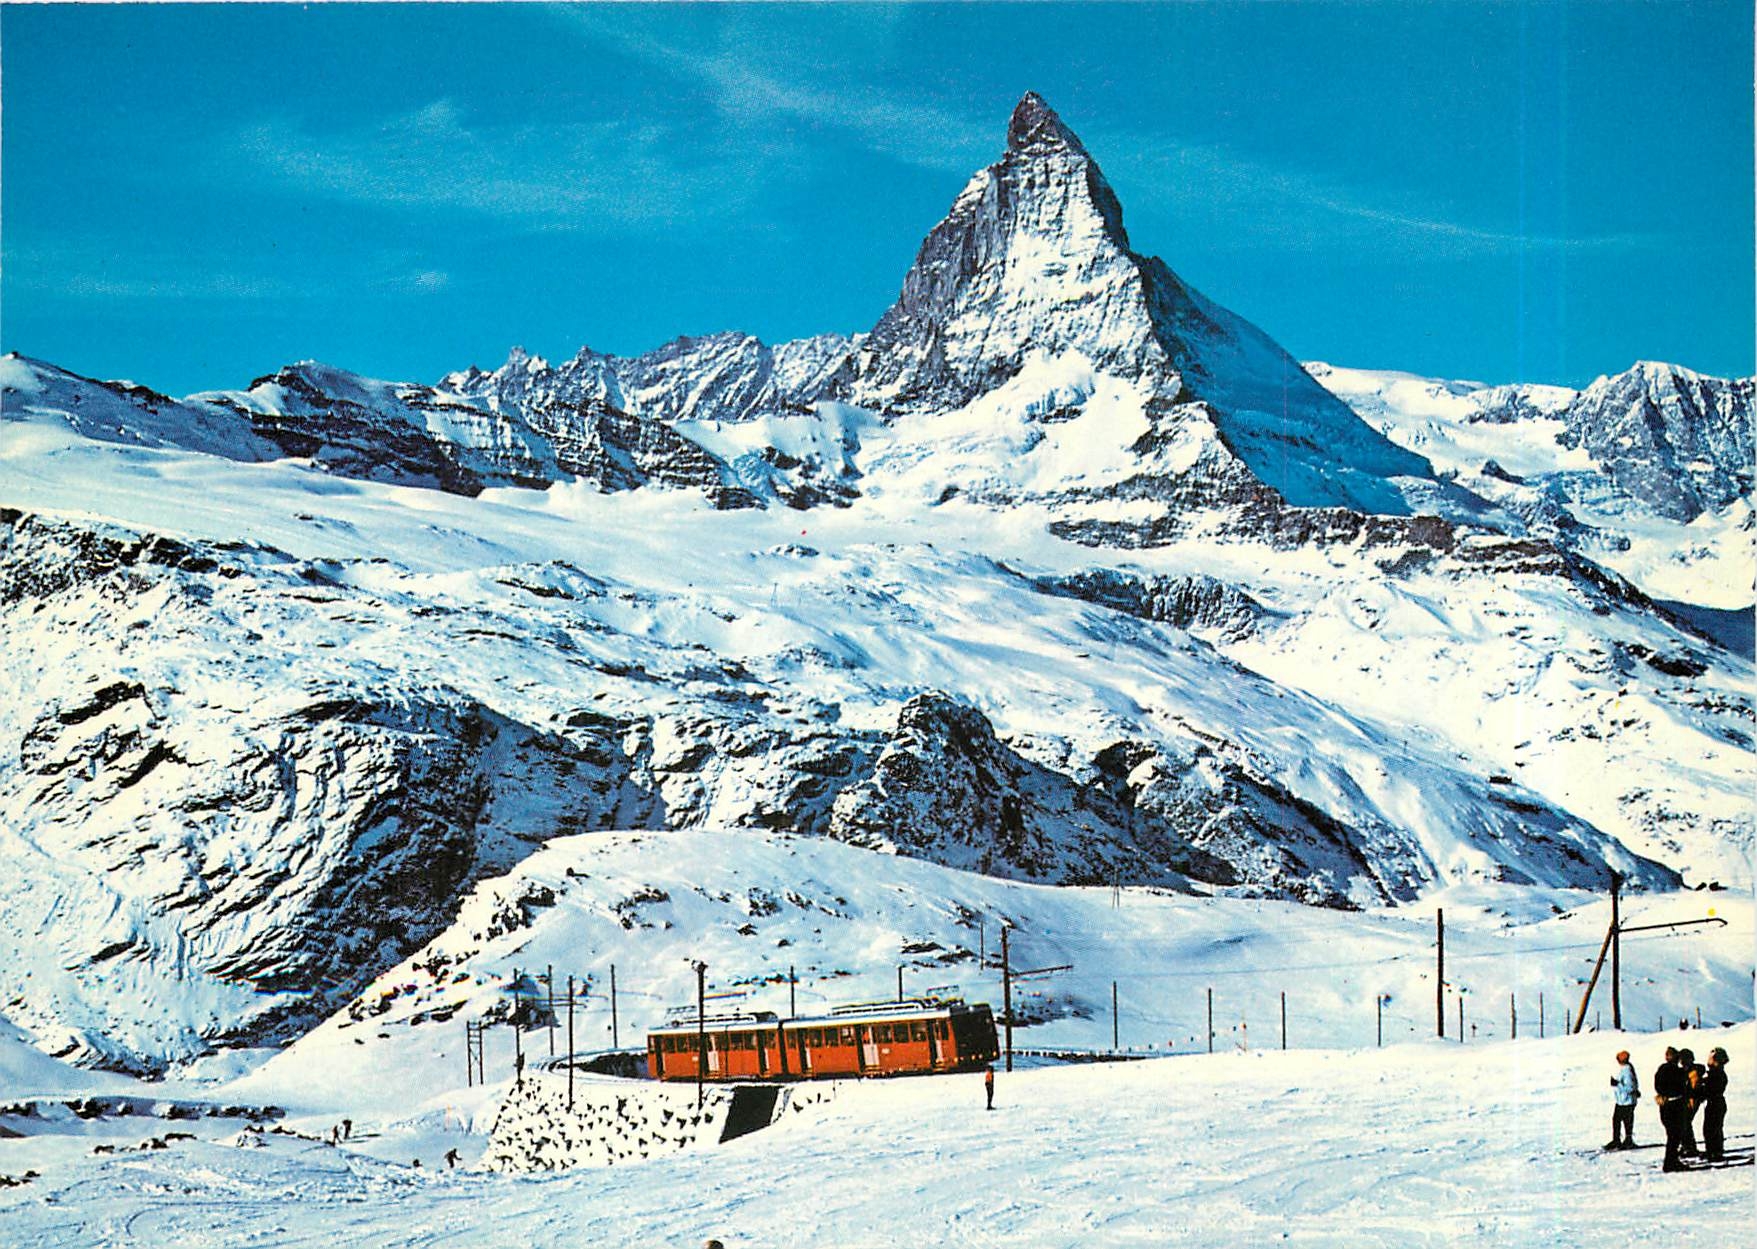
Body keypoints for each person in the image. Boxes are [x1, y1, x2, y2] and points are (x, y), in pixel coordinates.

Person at [1654, 1047, 1690, 1172]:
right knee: (1675, 1136)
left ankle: (1671, 1160)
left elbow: (1658, 1085)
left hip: (1664, 1106)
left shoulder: (1661, 1069)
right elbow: (1682, 1086)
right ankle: (1670, 1162)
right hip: (1675, 1106)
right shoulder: (1677, 1071)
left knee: (1671, 1135)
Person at [1700, 1047, 1729, 1162]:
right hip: (1714, 1103)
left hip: (1716, 1103)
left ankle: (1716, 1152)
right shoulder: (1715, 1073)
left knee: (1713, 1129)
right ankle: (1712, 1150)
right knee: (1710, 1129)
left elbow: (1710, 1090)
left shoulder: (1717, 1074)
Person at [1606, 1050, 1639, 1149]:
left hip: (1626, 1101)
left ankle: (1625, 1140)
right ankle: (1619, 1140)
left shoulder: (1627, 1070)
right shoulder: (1626, 1068)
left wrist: (1617, 1084)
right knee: (1618, 1120)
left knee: (1624, 1121)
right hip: (1622, 1100)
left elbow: (1630, 1088)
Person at [1678, 1048, 1702, 1158]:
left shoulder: (1692, 1073)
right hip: (1688, 1100)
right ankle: (1687, 1146)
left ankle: (1689, 1147)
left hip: (1691, 1100)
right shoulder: (1687, 1071)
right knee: (1685, 1124)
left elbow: (1693, 1088)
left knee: (1685, 1123)